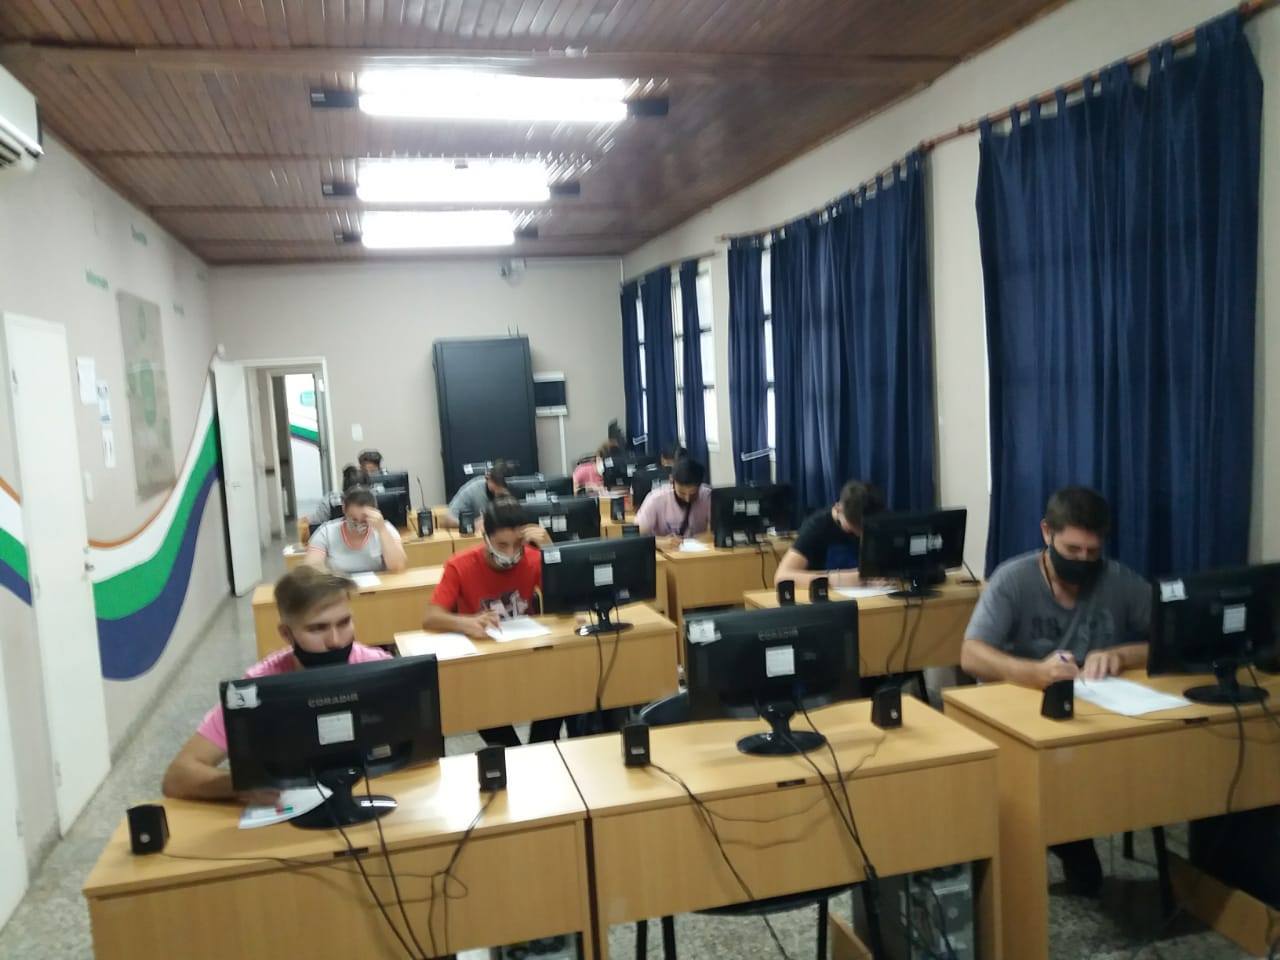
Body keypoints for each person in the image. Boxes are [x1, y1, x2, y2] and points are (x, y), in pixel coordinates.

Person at [961, 485, 1151, 896]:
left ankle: (1076, 832)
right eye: (1072, 550)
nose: (1082, 560)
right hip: (1022, 718)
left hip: (1092, 716)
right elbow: (971, 654)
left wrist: (1121, 655)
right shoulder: (1013, 579)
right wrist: (1032, 673)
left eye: (1092, 552)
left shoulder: (1118, 580)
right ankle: (1065, 841)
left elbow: (1171, 639)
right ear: (1047, 532)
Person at [161, 567, 391, 803]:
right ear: (286, 634)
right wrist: (241, 786)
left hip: (372, 795)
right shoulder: (256, 689)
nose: (335, 641)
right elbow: (177, 776)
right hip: (291, 810)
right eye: (318, 628)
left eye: (344, 623)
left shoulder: (380, 668)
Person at [423, 497, 561, 747]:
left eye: (517, 544)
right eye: (502, 545)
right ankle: (515, 754)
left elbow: (566, 603)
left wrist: (550, 552)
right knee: (491, 721)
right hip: (483, 664)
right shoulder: (460, 565)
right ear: (485, 537)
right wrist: (466, 622)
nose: (510, 553)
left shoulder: (532, 558)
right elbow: (431, 618)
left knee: (562, 693)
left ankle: (539, 750)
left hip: (528, 656)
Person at [774, 480, 886, 587]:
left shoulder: (875, 521)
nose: (859, 535)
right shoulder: (816, 527)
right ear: (838, 509)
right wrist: (840, 579)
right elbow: (782, 577)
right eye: (853, 528)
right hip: (826, 594)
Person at [305, 486, 407, 574]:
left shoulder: (385, 529)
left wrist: (382, 530)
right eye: (354, 519)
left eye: (364, 520)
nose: (359, 525)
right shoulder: (326, 532)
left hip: (378, 588)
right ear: (344, 510)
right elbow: (311, 570)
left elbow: (398, 566)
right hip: (339, 587)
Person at [635, 457, 711, 546]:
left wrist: (700, 539)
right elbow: (636, 536)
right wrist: (661, 542)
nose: (687, 499)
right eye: (682, 493)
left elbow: (716, 532)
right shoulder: (656, 499)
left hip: (697, 551)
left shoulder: (708, 496)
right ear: (672, 481)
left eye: (693, 494)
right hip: (664, 551)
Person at [440, 459, 514, 530]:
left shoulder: (514, 489)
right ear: (488, 477)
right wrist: (472, 524)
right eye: (496, 485)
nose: (497, 494)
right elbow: (447, 520)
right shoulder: (473, 489)